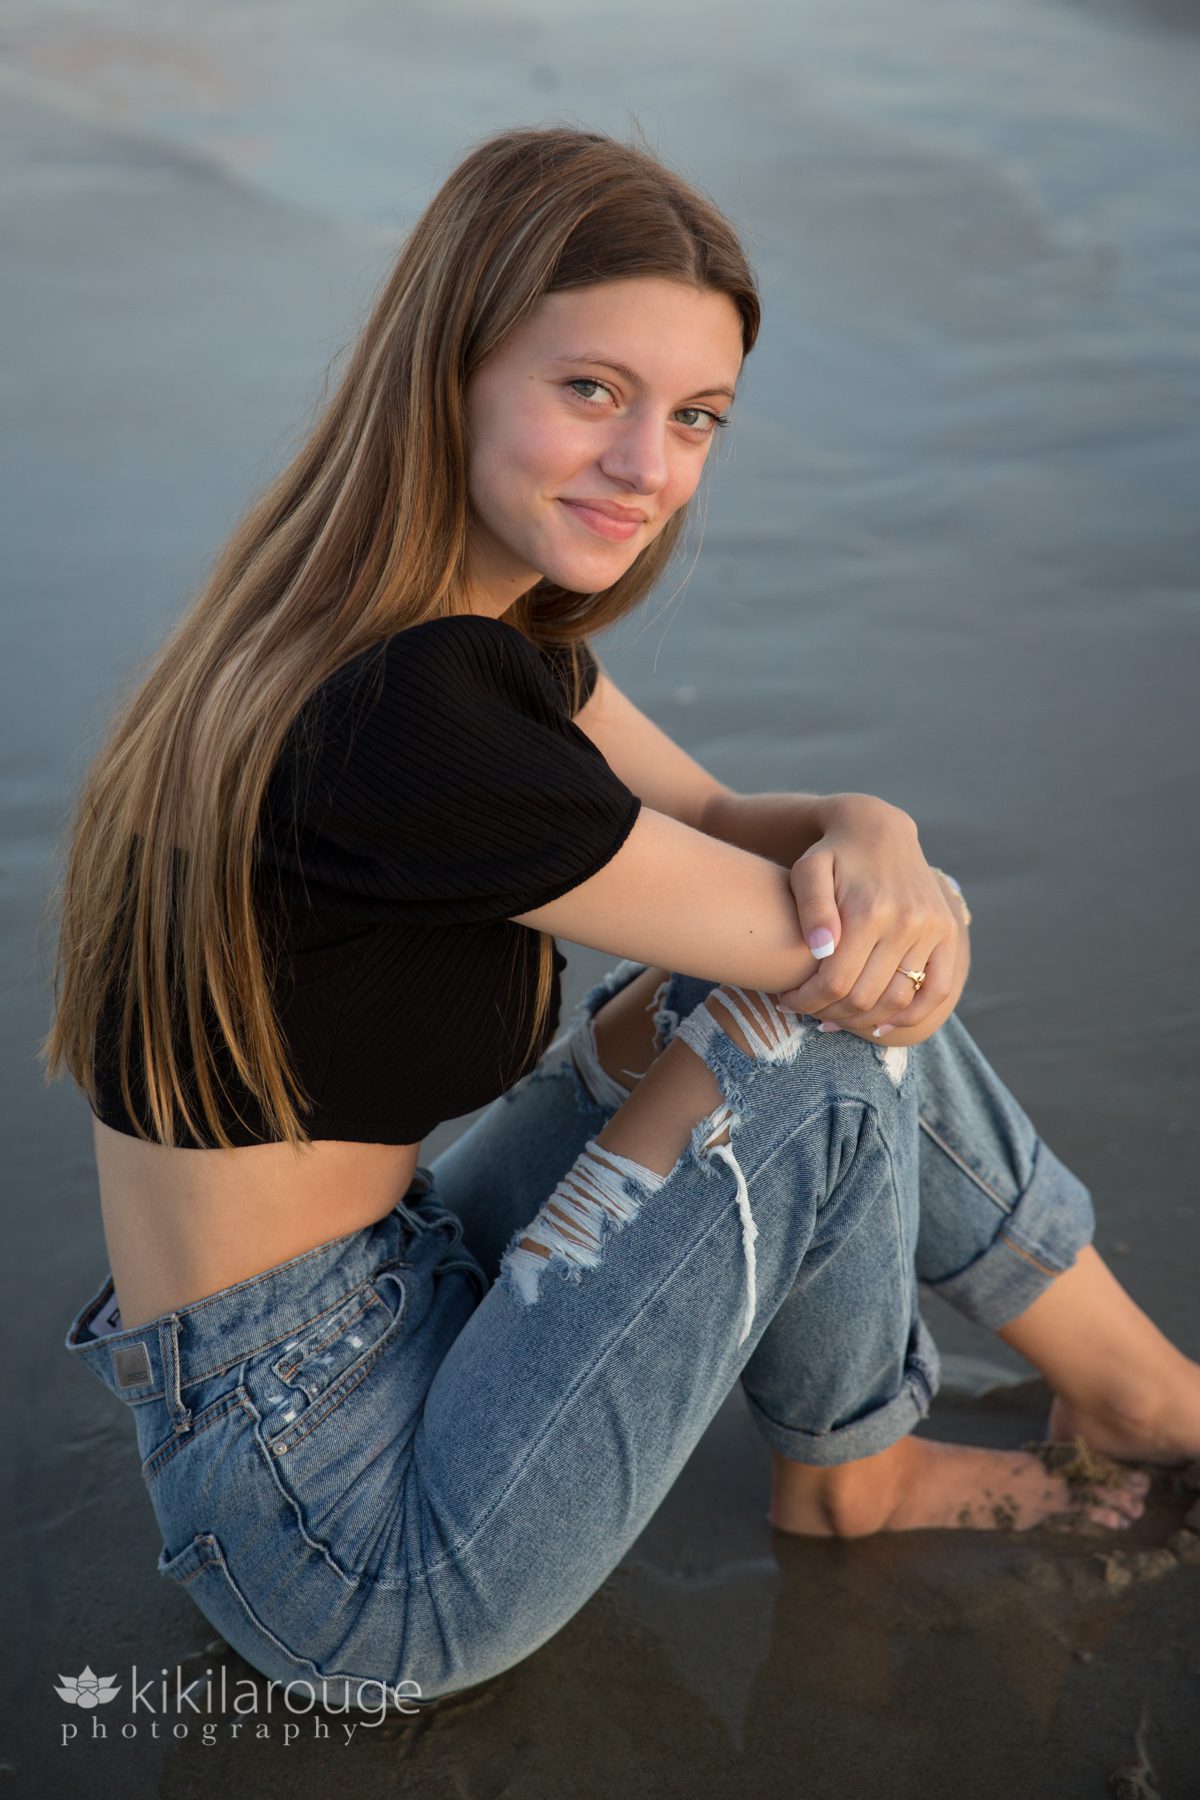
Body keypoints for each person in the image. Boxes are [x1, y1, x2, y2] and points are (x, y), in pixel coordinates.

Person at [41, 124, 1197, 1712]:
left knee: (760, 994)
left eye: (697, 418)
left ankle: (1129, 1395)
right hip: (346, 1549)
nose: (648, 467)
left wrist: (881, 825)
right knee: (807, 1045)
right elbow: (843, 976)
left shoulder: (405, 623)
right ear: (448, 368)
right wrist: (892, 909)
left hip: (377, 1304)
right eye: (593, 391)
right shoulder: (413, 722)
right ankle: (902, 1461)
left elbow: (728, 825)